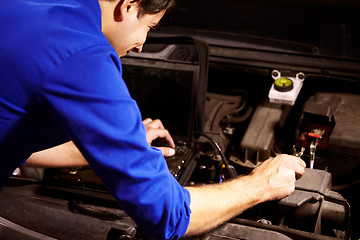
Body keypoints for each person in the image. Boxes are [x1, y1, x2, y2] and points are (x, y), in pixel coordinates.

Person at [0, 0, 306, 239]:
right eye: (151, 26)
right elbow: (168, 216)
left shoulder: (27, 7)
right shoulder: (82, 55)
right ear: (129, 5)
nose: (142, 45)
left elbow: (10, 132)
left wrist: (108, 146)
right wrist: (260, 184)